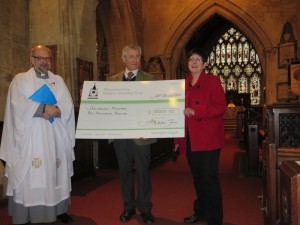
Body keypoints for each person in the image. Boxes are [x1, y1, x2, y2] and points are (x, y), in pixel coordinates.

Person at [0, 45, 75, 224]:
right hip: (30, 138)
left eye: (47, 58)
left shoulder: (58, 80)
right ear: (32, 59)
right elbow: (17, 105)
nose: (44, 62)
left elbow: (68, 105)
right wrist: (42, 108)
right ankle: (26, 215)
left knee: (56, 172)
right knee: (32, 174)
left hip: (55, 136)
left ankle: (59, 209)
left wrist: (55, 110)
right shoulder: (21, 80)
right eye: (40, 58)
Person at [109, 44, 156, 224]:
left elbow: (154, 108)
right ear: (123, 59)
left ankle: (145, 210)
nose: (134, 60)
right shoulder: (112, 81)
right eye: (131, 56)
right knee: (125, 173)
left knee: (144, 173)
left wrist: (149, 130)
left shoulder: (150, 80)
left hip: (142, 137)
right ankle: (128, 207)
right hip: (121, 137)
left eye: (137, 56)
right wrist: (89, 98)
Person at [182, 48, 226, 225]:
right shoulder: (183, 84)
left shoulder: (212, 81)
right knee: (198, 177)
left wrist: (197, 111)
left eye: (198, 59)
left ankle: (214, 218)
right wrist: (178, 140)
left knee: (209, 178)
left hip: (208, 138)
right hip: (191, 138)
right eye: (191, 59)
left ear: (205, 63)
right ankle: (200, 211)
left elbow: (220, 107)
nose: (194, 62)